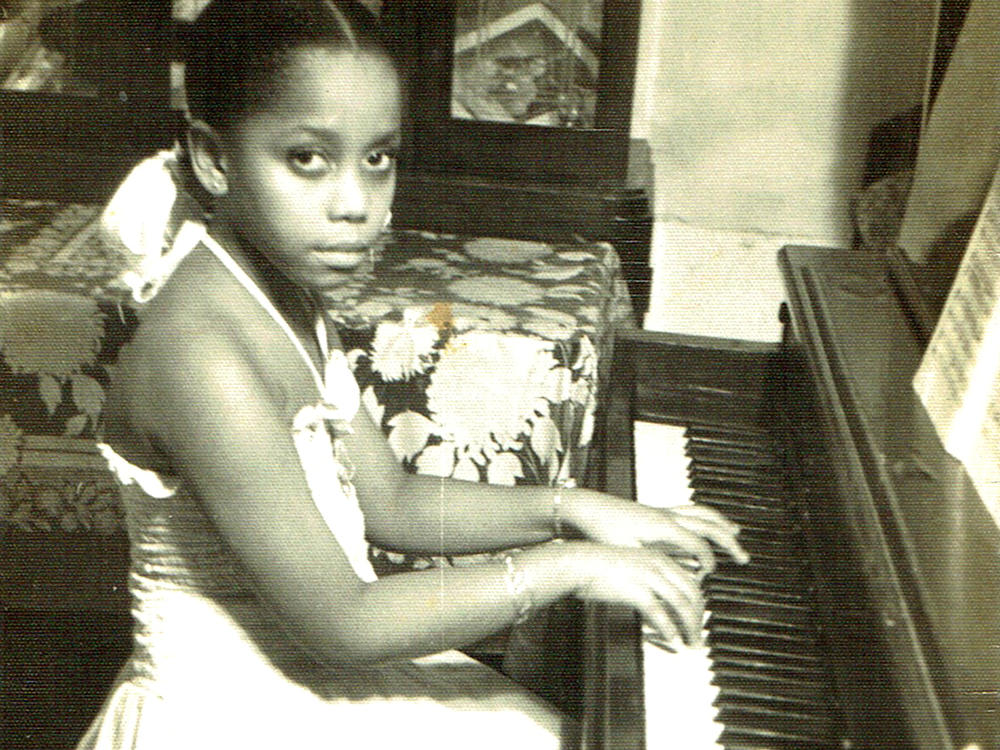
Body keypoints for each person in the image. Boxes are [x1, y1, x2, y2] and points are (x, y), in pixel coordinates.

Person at [78, 1, 748, 747]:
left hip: (307, 680)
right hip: (227, 713)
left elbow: (390, 500)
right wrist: (568, 565)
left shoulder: (276, 292)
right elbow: (343, 622)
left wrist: (579, 507)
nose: (357, 206)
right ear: (213, 157)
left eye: (378, 157)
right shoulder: (201, 354)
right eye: (307, 158)